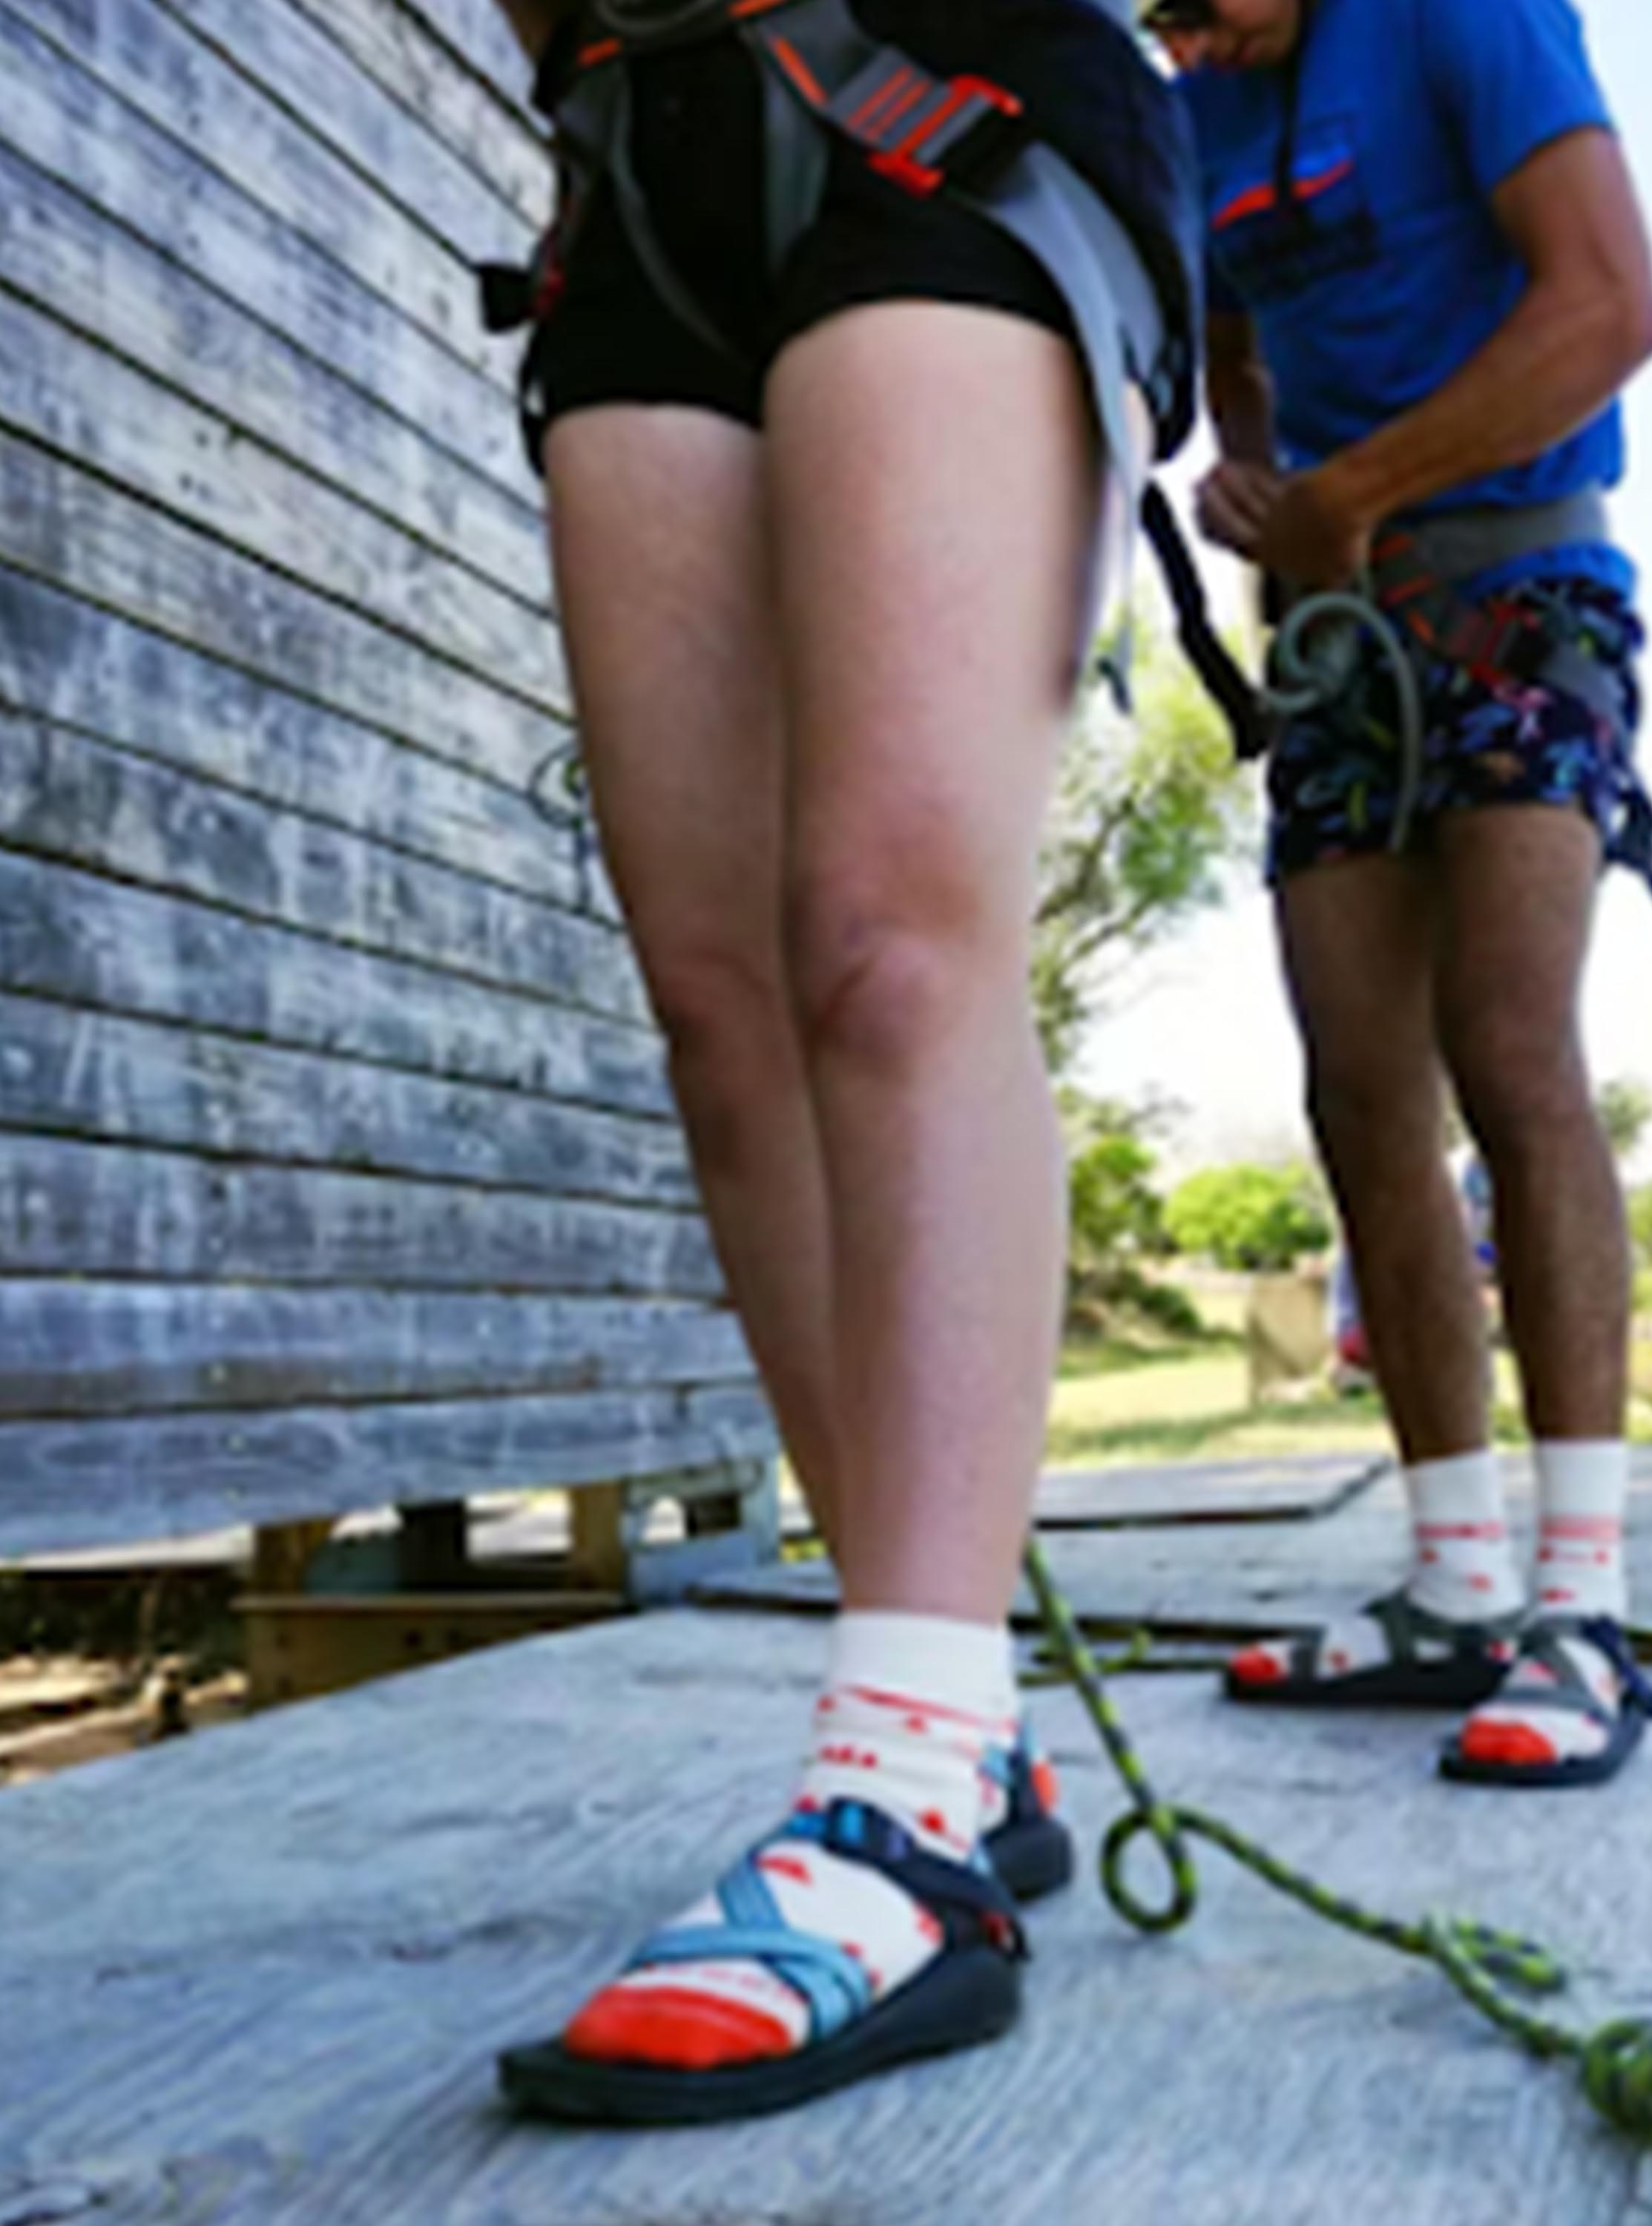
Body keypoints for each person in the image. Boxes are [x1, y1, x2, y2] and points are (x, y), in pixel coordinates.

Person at [474, 0, 1201, 2122]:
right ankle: (961, 1720)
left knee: (888, 942)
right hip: (635, 138)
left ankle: (901, 1811)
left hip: (943, 86)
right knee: (719, 1009)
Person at [1153, 0, 1652, 1786]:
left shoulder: (1464, 13)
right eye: (1151, 17)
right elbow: (1225, 339)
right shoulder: (1195, 102)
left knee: (1509, 1047)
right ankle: (1456, 1586)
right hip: (1332, 631)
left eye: (1196, 5)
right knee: (1361, 1088)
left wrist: (1351, 490)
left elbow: (1611, 310)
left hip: (1525, 582)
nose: (1184, 42)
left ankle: (1581, 1606)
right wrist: (1258, 470)